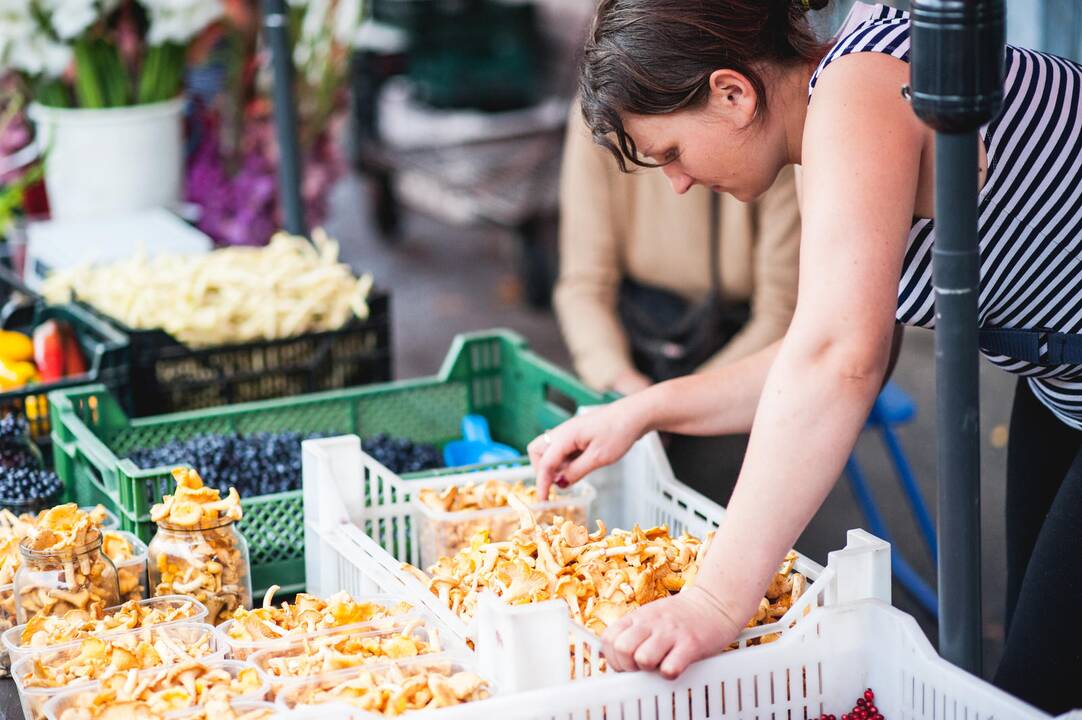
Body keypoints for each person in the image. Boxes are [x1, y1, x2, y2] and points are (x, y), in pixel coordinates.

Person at [528, 0, 1082, 712]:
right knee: (1040, 676)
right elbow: (822, 358)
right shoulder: (837, 112)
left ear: (733, 92)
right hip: (1060, 388)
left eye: (670, 152)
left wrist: (714, 602)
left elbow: (838, 361)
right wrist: (642, 410)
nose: (679, 182)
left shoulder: (855, 95)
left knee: (1038, 683)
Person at [555, 105, 801, 397]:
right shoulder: (598, 110)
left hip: (743, 348)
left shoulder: (773, 135)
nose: (679, 184)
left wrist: (673, 405)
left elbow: (783, 315)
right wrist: (620, 381)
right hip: (637, 336)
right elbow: (584, 285)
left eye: (672, 153)